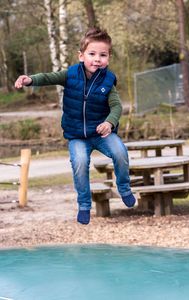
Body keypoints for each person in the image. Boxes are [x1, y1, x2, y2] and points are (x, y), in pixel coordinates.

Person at [15, 27, 136, 225]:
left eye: (103, 55)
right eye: (92, 54)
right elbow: (48, 77)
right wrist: (30, 80)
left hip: (101, 132)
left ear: (108, 58)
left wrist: (109, 122)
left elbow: (116, 106)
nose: (97, 59)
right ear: (81, 56)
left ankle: (124, 188)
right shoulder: (70, 74)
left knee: (120, 152)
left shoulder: (108, 80)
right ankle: (84, 205)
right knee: (79, 163)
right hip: (77, 135)